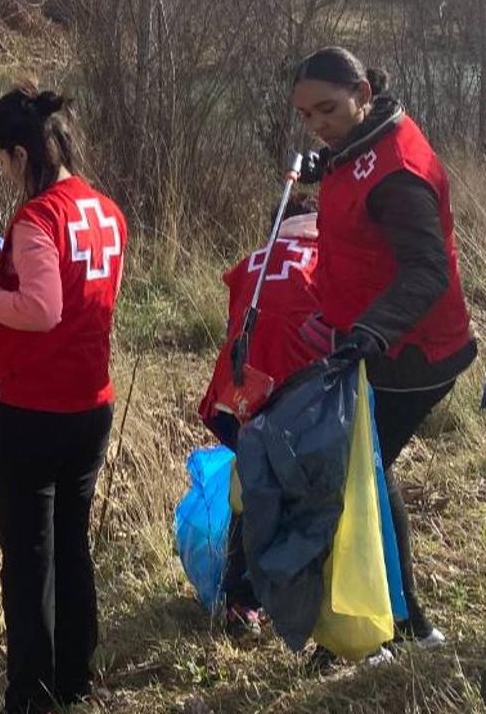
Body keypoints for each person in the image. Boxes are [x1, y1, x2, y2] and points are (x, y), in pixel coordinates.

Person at [291, 46, 478, 649]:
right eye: (307, 115)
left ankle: (396, 627)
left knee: (355, 479)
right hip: (379, 341)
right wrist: (329, 160)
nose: (318, 124)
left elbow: (427, 270)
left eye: (328, 110)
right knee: (367, 472)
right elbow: (358, 176)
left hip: (414, 352)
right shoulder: (368, 140)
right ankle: (404, 625)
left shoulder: (396, 172)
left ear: (363, 93)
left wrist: (372, 330)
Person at [0, 84, 127, 713]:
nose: (3, 173)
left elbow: (43, 307)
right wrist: (12, 261)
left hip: (30, 409)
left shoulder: (36, 217)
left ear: (19, 153)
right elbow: (79, 285)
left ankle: (30, 697)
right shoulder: (104, 210)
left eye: (1, 160)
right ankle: (75, 679)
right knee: (72, 544)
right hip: (89, 405)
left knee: (28, 559)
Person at [197, 197, 322, 634]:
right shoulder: (330, 260)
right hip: (300, 401)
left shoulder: (253, 262)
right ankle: (298, 597)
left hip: (239, 397)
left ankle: (242, 599)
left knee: (251, 494)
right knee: (308, 500)